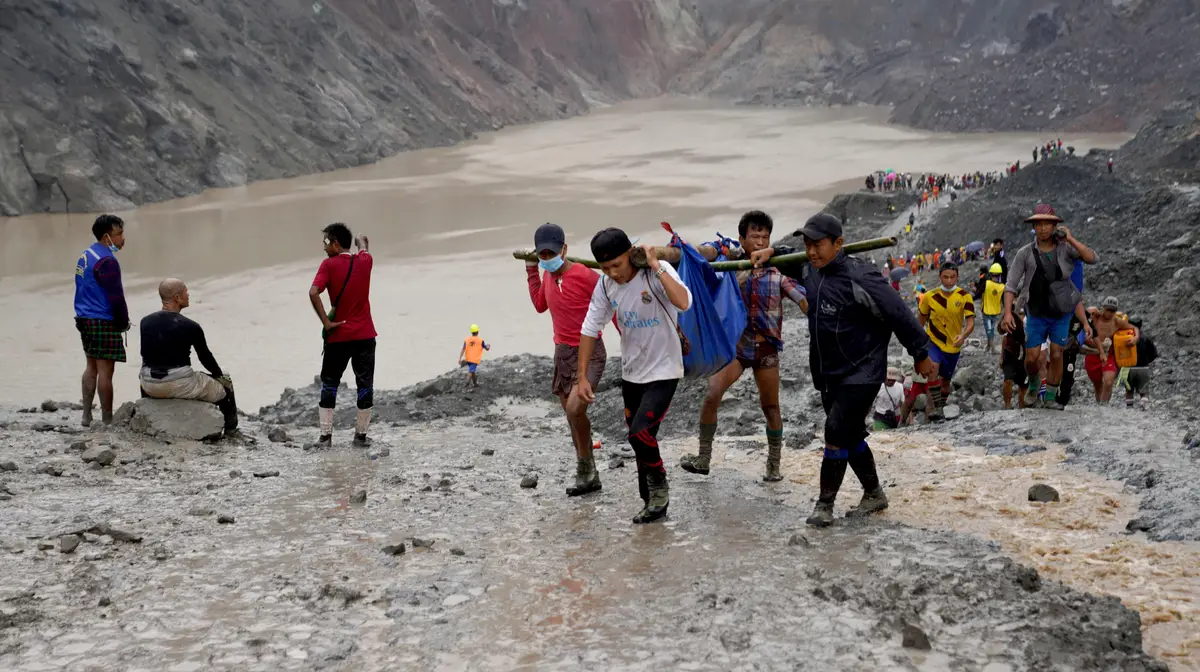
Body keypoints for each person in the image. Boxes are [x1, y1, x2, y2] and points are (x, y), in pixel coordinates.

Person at [779, 213, 936, 527]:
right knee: (849, 436)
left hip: (862, 371)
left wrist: (920, 353)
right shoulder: (810, 269)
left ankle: (824, 506)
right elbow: (787, 261)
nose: (811, 251)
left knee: (835, 432)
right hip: (828, 373)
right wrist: (769, 253)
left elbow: (898, 313)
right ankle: (874, 493)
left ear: (838, 243)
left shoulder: (862, 276)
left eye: (818, 244)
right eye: (806, 244)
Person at [574, 228, 692, 524]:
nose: (612, 272)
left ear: (630, 254)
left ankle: (659, 488)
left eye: (617, 265)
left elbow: (683, 302)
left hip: (665, 368)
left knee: (639, 433)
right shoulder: (605, 285)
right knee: (644, 439)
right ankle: (650, 503)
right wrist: (582, 377)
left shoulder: (657, 272)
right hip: (632, 372)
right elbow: (590, 328)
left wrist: (654, 265)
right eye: (605, 267)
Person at [680, 211, 807, 481]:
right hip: (736, 350)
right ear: (742, 239)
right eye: (754, 237)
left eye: (765, 237)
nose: (760, 242)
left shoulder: (778, 272)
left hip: (766, 352)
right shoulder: (729, 269)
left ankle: (774, 465)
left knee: (770, 407)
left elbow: (803, 300)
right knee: (712, 393)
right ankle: (703, 457)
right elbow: (706, 270)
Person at [526, 223, 608, 497]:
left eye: (552, 253)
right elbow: (540, 305)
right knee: (571, 417)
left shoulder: (585, 275)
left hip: (591, 352)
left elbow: (612, 301)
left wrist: (632, 338)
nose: (547, 259)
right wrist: (531, 271)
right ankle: (588, 473)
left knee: (575, 409)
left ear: (565, 248)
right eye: (542, 255)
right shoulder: (547, 276)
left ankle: (584, 466)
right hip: (563, 354)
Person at [1001, 204, 1097, 410]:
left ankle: (1051, 396)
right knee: (1032, 358)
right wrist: (1008, 312)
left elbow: (1092, 258)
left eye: (1047, 224)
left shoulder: (1066, 249)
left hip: (1061, 312)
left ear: (1055, 226)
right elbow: (1010, 285)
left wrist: (1070, 239)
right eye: (1039, 224)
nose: (1043, 228)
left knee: (1056, 353)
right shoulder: (1025, 253)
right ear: (1034, 227)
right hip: (1036, 312)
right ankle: (1034, 383)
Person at [139, 279, 238, 433]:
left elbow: (145, 355)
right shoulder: (190, 326)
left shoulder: (145, 321)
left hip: (150, 385)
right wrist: (219, 376)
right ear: (177, 298)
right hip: (179, 384)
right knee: (226, 382)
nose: (189, 294)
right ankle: (231, 430)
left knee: (146, 367)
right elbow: (206, 359)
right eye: (186, 291)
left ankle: (146, 407)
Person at [309, 223, 376, 448]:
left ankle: (325, 437)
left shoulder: (328, 265)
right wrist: (360, 239)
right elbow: (363, 242)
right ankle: (360, 437)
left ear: (336, 244)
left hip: (338, 337)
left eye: (327, 243)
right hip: (365, 335)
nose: (324, 248)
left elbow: (313, 292)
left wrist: (326, 322)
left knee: (329, 384)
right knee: (365, 384)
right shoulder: (365, 262)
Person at [74, 214, 129, 427]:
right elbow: (116, 296)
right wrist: (123, 321)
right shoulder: (108, 262)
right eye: (119, 234)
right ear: (107, 237)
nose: (123, 238)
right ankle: (107, 420)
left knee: (91, 366)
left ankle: (86, 416)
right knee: (106, 372)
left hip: (84, 318)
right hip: (102, 319)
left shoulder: (86, 255)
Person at [918, 263, 975, 421]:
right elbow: (920, 320)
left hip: (953, 346)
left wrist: (963, 335)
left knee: (945, 383)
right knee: (933, 368)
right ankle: (934, 409)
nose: (949, 281)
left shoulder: (965, 296)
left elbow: (970, 322)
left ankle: (940, 406)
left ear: (957, 277)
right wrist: (916, 340)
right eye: (946, 277)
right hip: (933, 341)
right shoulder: (930, 296)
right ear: (940, 277)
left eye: (952, 277)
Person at [1085, 296, 1139, 403]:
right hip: (1092, 354)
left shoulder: (1117, 321)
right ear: (1103, 308)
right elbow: (1080, 316)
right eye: (1108, 309)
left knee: (1108, 382)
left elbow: (1134, 328)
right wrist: (1089, 310)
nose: (1110, 313)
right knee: (1097, 384)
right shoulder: (1095, 317)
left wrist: (1135, 338)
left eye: (1113, 310)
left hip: (1108, 355)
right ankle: (1099, 406)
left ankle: (1104, 406)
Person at [1122, 316, 1156, 407]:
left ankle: (1129, 407)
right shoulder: (1146, 337)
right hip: (1143, 367)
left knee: (1129, 390)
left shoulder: (1123, 337)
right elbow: (1153, 354)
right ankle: (1144, 406)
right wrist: (1147, 362)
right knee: (1144, 390)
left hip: (1127, 368)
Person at [1000, 309, 1028, 409]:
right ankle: (1007, 405)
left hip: (1024, 355)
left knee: (1023, 385)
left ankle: (1022, 408)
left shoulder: (1029, 322)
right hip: (1010, 353)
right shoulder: (1011, 320)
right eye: (1019, 314)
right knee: (1008, 380)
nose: (1021, 316)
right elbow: (1004, 337)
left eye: (1022, 314)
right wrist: (1001, 356)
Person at [980, 263, 1005, 353]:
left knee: (989, 329)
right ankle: (988, 346)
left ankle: (993, 348)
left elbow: (980, 292)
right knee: (991, 329)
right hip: (995, 311)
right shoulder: (1002, 287)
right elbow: (1003, 300)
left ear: (991, 274)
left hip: (986, 311)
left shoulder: (986, 283)